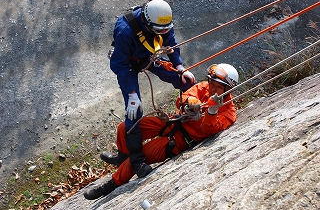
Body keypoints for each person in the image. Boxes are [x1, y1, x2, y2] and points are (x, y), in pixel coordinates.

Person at [84, 63, 239, 200]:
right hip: (172, 122)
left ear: (228, 89)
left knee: (139, 157)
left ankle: (112, 184)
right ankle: (122, 155)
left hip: (179, 140)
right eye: (212, 83)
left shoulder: (229, 113)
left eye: (218, 87)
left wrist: (212, 111)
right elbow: (182, 98)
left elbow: (208, 129)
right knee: (125, 128)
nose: (212, 88)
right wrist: (189, 102)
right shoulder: (204, 87)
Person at [106, 0, 196, 179]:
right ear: (146, 23)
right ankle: (135, 160)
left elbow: (170, 41)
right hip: (128, 65)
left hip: (149, 57)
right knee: (134, 110)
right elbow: (119, 65)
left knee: (186, 81)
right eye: (159, 30)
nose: (163, 32)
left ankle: (191, 123)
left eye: (165, 29)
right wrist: (132, 94)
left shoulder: (161, 23)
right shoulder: (125, 31)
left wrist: (179, 67)